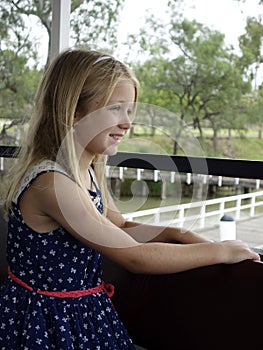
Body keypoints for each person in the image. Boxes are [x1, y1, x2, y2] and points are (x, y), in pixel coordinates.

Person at [0, 48, 261, 350]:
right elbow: (134, 257)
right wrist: (222, 253)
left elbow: (119, 225)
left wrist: (180, 233)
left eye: (129, 111)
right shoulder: (53, 183)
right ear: (74, 112)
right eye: (115, 109)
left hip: (82, 312)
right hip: (49, 322)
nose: (127, 124)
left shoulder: (88, 170)